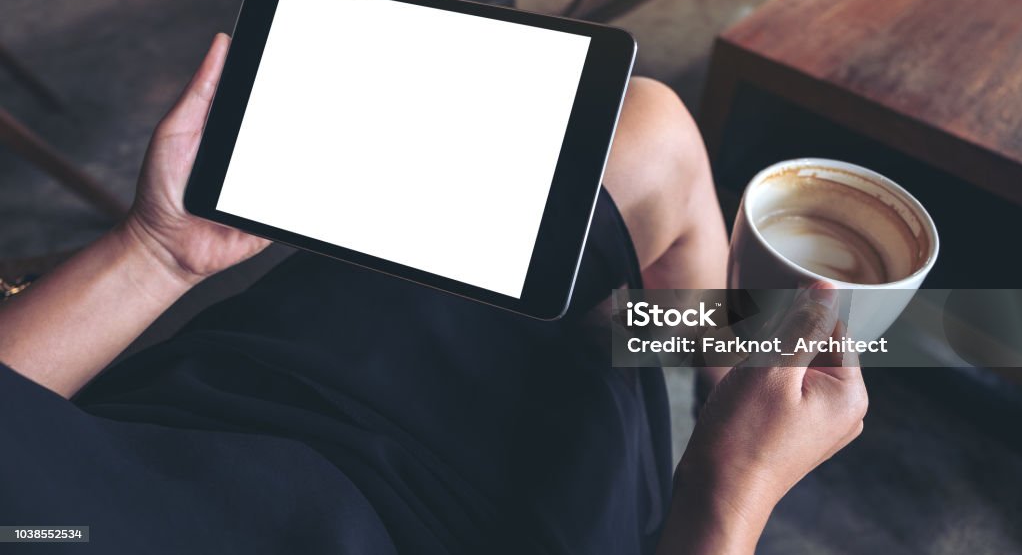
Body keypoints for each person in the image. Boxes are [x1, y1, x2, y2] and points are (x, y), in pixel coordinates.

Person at [0, 35, 867, 554]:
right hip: (470, 524)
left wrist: (158, 252)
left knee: (649, 123)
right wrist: (729, 491)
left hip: (211, 412)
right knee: (609, 288)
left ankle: (718, 358)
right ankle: (727, 373)